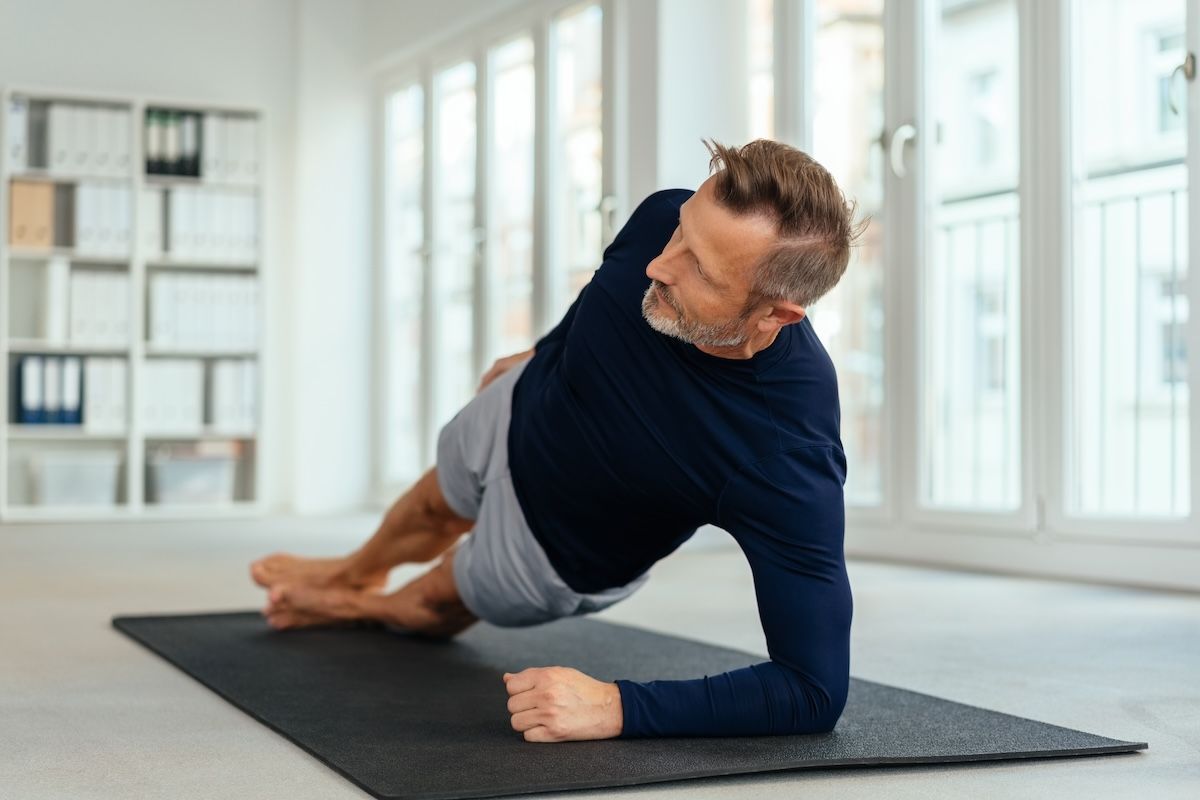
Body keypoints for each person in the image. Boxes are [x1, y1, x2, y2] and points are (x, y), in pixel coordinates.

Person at [251, 138, 862, 744]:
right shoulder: (660, 218)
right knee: (431, 503)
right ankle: (355, 572)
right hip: (529, 402)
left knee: (436, 601)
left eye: (698, 267)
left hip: (556, 548)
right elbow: (607, 290)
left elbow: (812, 690)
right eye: (680, 232)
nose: (661, 262)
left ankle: (360, 607)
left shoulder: (785, 452)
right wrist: (545, 348)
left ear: (775, 315)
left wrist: (619, 707)